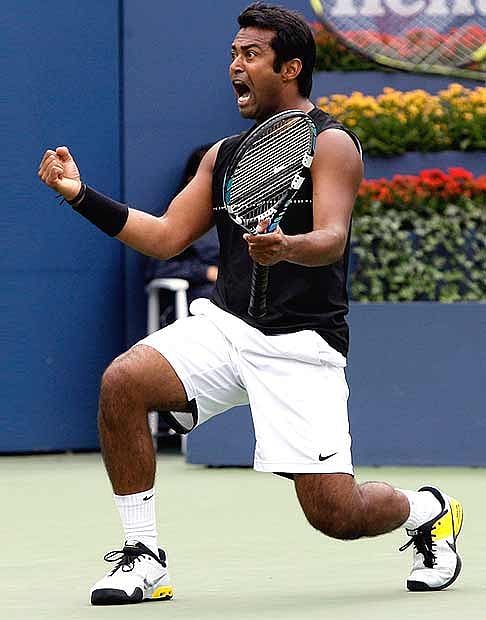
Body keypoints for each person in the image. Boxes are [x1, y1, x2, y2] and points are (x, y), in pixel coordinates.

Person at [38, 2, 463, 606]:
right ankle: (143, 556)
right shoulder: (224, 155)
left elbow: (332, 238)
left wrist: (287, 246)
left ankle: (428, 512)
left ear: (290, 68)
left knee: (336, 514)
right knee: (123, 383)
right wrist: (82, 195)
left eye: (251, 54)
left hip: (301, 345)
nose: (235, 65)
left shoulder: (332, 144)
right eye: (233, 54)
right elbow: (165, 237)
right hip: (227, 325)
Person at [145, 144, 219, 328]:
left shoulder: (238, 219)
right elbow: (157, 268)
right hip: (197, 300)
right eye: (214, 177)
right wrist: (206, 272)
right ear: (191, 180)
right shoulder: (170, 221)